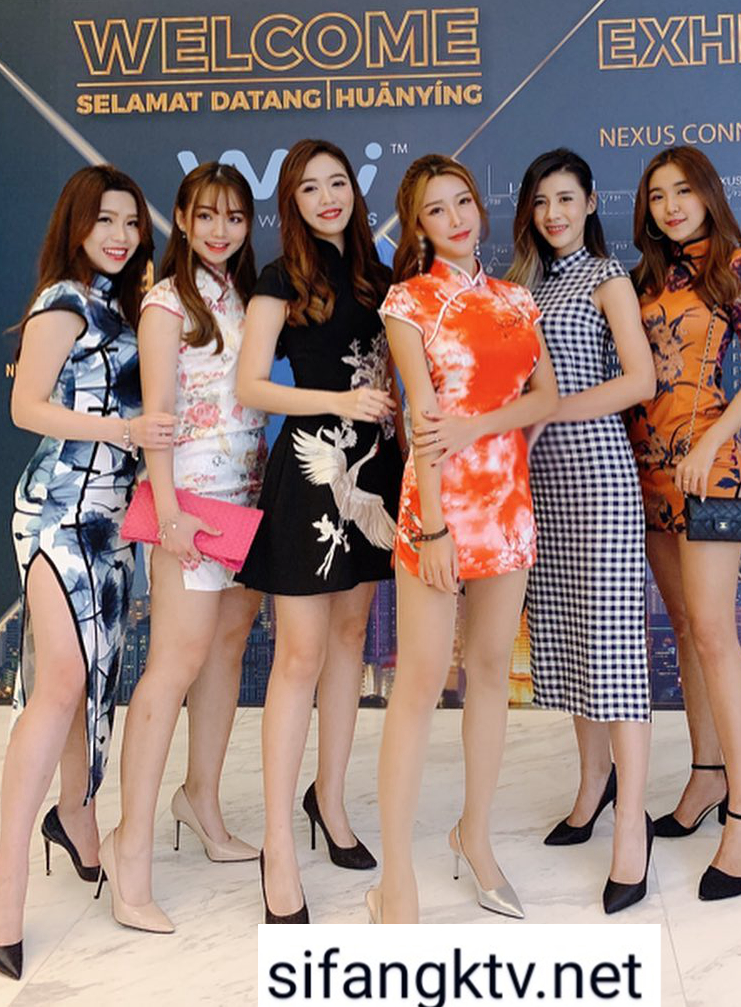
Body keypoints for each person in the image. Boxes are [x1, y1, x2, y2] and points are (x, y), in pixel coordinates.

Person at [0, 166, 174, 979]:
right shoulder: (63, 300)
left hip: (113, 522)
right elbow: (26, 406)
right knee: (60, 685)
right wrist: (123, 430)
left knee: (96, 680)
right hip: (58, 512)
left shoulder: (126, 306)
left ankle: (77, 815)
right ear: (76, 225)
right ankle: (6, 881)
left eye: (131, 222)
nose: (120, 235)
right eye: (105, 221)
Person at [369, 154, 557, 924]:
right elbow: (423, 420)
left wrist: (480, 425)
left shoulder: (516, 299)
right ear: (418, 226)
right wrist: (435, 529)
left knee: (490, 673)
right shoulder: (408, 301)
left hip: (507, 504)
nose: (456, 219)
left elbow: (544, 397)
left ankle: (474, 837)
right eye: (436, 210)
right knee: (418, 684)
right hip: (438, 508)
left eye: (463, 202)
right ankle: (396, 879)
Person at [235, 138, 403, 924]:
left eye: (339, 183)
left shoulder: (381, 277)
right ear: (292, 203)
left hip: (374, 472)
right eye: (310, 188)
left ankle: (329, 801)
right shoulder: (280, 279)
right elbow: (252, 384)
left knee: (350, 642)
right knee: (298, 656)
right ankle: (277, 843)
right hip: (310, 477)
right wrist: (337, 403)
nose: (328, 196)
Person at [99, 162, 266, 933]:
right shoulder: (166, 302)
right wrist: (168, 514)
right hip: (190, 507)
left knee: (228, 650)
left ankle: (200, 800)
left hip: (250, 502)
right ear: (183, 219)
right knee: (173, 666)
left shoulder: (245, 294)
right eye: (205, 216)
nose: (219, 230)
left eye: (233, 216)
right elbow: (158, 416)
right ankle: (129, 848)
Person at [627, 146, 741, 901]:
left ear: (708, 194)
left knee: (715, 633)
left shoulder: (737, 268)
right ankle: (706, 776)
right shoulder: (643, 281)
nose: (671, 206)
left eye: (683, 190)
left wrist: (730, 446)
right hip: (648, 472)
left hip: (710, 471)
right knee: (686, 627)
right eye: (657, 196)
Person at [509, 148, 657, 913]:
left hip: (598, 475)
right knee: (568, 638)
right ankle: (593, 784)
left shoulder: (606, 277)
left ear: (591, 202)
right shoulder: (520, 286)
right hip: (538, 482)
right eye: (541, 202)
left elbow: (640, 379)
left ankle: (632, 823)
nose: (554, 214)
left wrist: (550, 410)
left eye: (566, 198)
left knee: (615, 648)